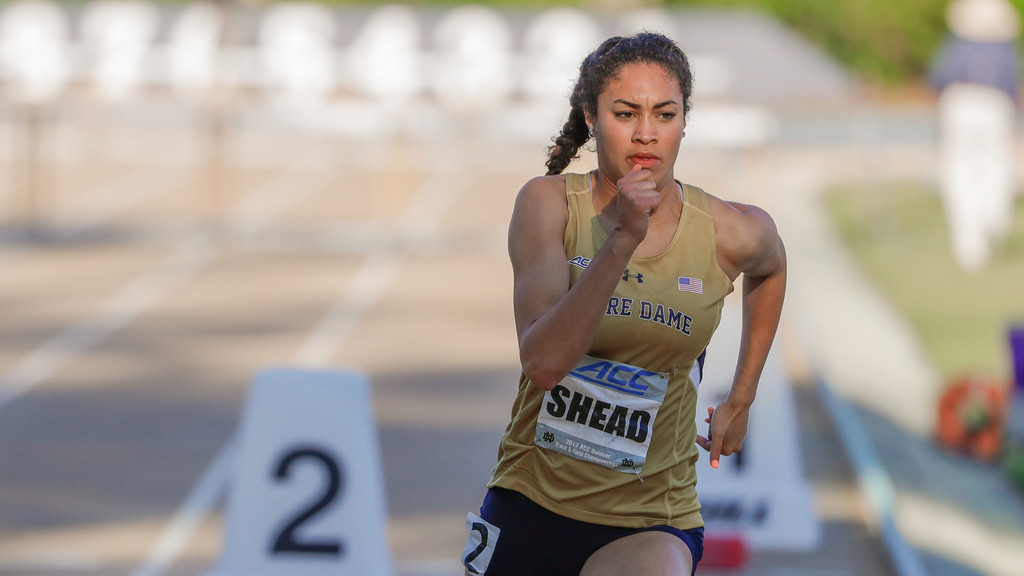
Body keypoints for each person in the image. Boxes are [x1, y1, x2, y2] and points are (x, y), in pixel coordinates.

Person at [462, 32, 786, 576]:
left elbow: (772, 265)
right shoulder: (550, 206)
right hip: (533, 502)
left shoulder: (726, 231)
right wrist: (621, 242)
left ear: (685, 121)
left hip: (651, 518)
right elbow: (542, 364)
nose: (645, 134)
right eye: (625, 113)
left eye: (664, 114)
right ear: (591, 117)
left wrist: (743, 396)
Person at [930, 0, 1020, 271]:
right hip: (990, 108)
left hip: (964, 107)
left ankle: (972, 237)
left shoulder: (954, 46)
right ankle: (988, 222)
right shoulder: (1005, 51)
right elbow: (1014, 85)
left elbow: (937, 78)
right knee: (990, 165)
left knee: (963, 168)